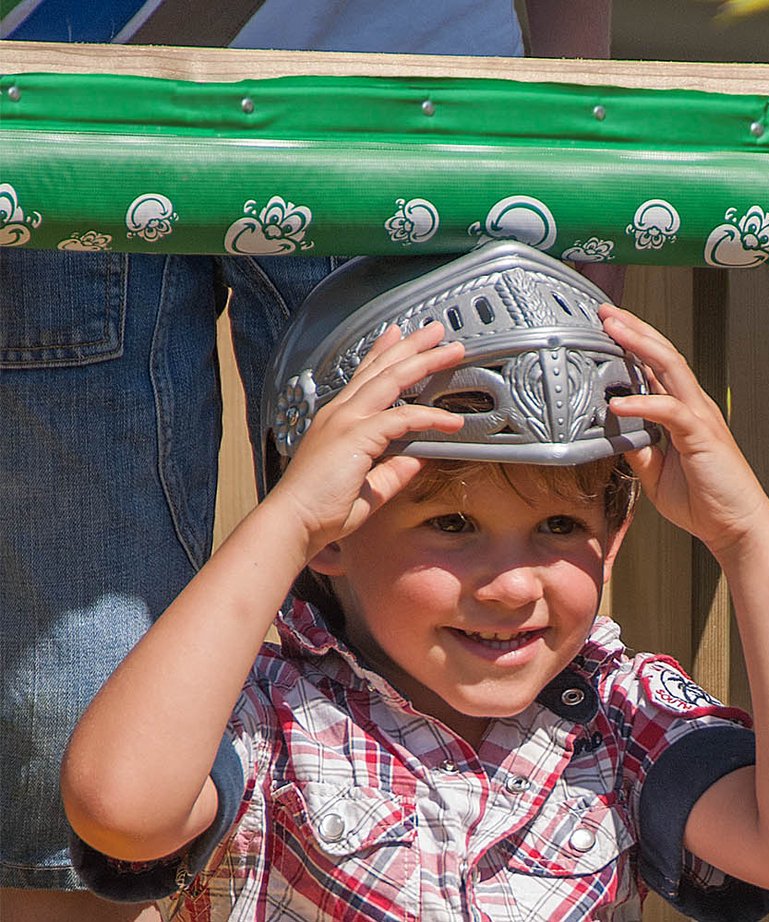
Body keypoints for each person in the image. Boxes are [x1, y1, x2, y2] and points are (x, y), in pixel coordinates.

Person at [58, 242, 769, 921]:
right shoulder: (271, 715)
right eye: (453, 526)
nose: (512, 585)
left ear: (613, 539)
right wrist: (284, 522)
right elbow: (122, 808)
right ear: (332, 535)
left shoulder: (622, 721)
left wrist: (747, 536)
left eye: (561, 527)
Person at [0, 5, 612, 921]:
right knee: (77, 723)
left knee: (452, 619)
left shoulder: (625, 709)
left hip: (404, 106)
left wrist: (575, 114)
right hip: (67, 90)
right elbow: (111, 809)